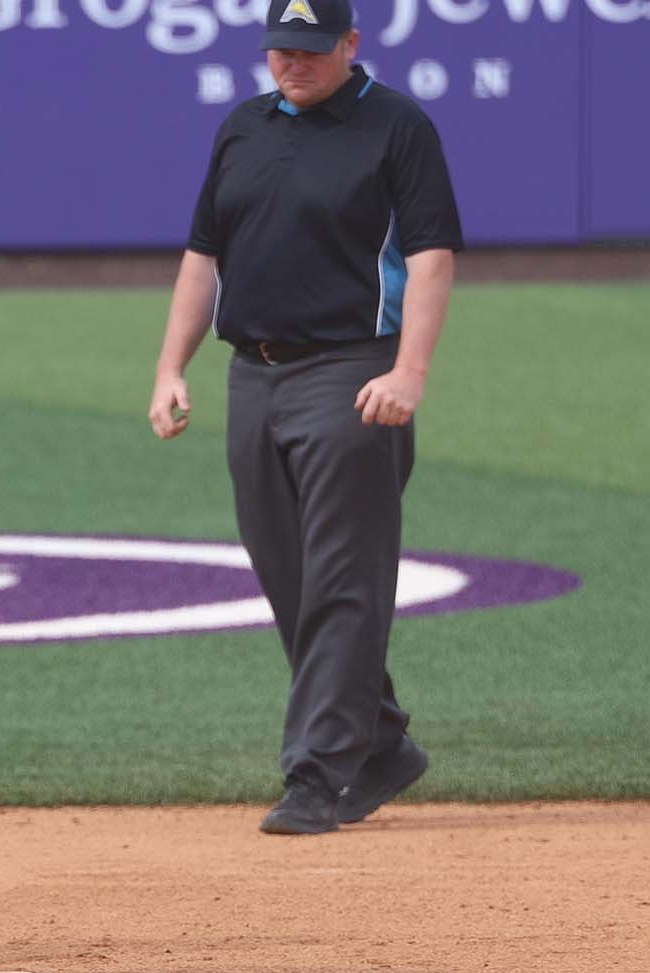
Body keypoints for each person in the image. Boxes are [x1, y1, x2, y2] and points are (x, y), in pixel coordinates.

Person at [147, 0, 458, 835]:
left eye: (312, 49)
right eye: (281, 49)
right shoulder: (244, 126)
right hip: (255, 373)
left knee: (344, 575)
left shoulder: (397, 126)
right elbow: (202, 254)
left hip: (354, 372)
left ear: (351, 46)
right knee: (286, 569)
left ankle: (318, 773)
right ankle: (381, 739)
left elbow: (431, 255)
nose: (294, 62)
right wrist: (171, 366)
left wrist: (409, 372)